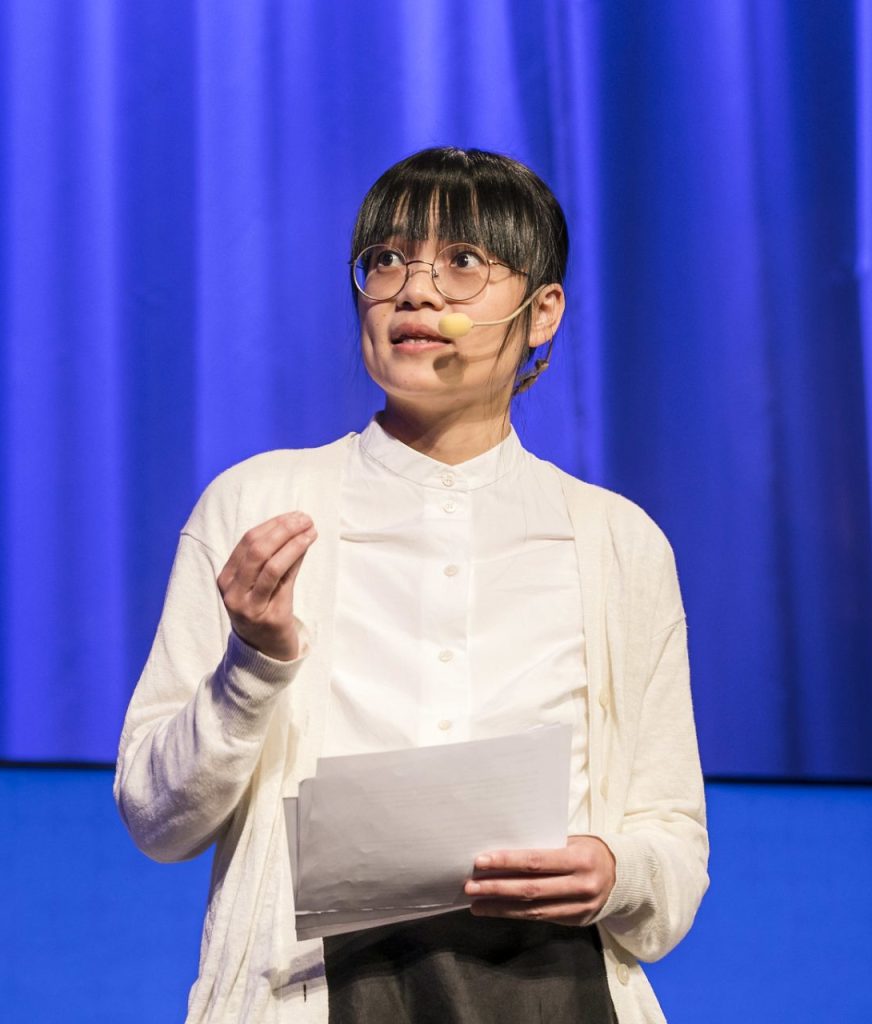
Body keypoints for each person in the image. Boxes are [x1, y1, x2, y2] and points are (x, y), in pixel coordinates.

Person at [115, 147, 708, 1023]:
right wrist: (252, 663)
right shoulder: (261, 504)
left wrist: (615, 871)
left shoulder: (617, 543)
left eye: (464, 263)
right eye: (387, 260)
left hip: (556, 992)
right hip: (312, 995)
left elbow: (675, 845)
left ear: (542, 312)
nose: (414, 292)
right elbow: (155, 819)